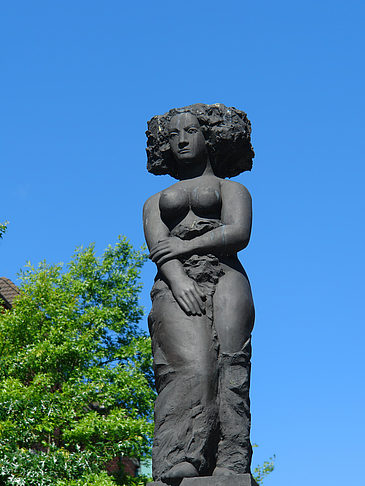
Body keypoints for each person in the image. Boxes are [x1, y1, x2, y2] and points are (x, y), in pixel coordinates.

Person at [143, 103, 255, 483]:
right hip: (176, 282)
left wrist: (187, 247)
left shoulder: (233, 188)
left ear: (210, 137)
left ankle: (232, 460)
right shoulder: (153, 202)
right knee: (190, 366)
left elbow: (238, 233)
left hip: (224, 273)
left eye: (191, 131)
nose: (182, 140)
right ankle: (182, 453)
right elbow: (159, 249)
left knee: (231, 363)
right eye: (173, 134)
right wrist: (178, 279)